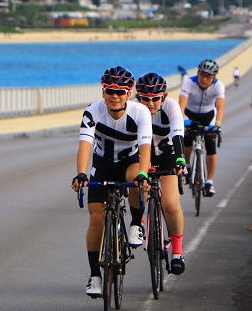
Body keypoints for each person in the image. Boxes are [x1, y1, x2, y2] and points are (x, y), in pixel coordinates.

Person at [72, 66, 152, 297]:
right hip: (103, 163)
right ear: (103, 91)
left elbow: (145, 147)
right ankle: (95, 275)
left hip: (130, 162)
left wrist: (143, 175)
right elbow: (85, 144)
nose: (115, 96)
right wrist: (81, 173)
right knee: (96, 217)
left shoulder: (140, 112)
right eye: (110, 91)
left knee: (135, 178)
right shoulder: (93, 111)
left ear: (129, 93)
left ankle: (137, 223)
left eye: (120, 92)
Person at [133, 72, 187, 275]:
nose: (150, 103)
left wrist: (181, 160)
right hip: (143, 157)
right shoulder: (134, 108)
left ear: (163, 96)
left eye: (155, 98)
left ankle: (177, 253)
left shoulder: (171, 106)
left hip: (167, 156)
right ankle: (137, 223)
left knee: (171, 204)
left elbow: (178, 133)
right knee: (138, 190)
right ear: (138, 97)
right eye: (145, 98)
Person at [179, 59, 225, 197]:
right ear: (197, 73)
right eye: (202, 75)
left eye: (208, 76)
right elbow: (181, 106)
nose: (204, 79)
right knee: (187, 139)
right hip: (189, 114)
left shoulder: (218, 86)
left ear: (214, 78)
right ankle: (187, 164)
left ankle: (209, 181)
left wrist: (218, 125)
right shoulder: (189, 83)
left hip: (208, 115)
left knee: (211, 144)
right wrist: (181, 123)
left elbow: (220, 107)